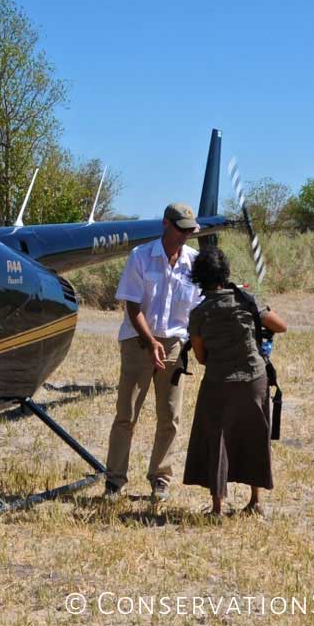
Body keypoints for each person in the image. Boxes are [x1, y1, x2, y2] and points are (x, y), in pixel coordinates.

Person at [103, 202, 203, 501]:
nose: (185, 236)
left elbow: (197, 309)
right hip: (138, 342)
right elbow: (132, 306)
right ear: (165, 224)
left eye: (190, 231)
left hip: (175, 345)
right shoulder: (141, 257)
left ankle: (160, 478)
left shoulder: (194, 263)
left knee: (169, 416)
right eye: (181, 229)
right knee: (126, 414)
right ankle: (115, 481)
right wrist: (150, 342)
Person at [182, 247, 288, 515]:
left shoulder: (200, 313)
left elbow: (201, 356)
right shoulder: (246, 300)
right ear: (225, 272)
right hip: (254, 378)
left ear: (198, 277)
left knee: (216, 439)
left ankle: (217, 507)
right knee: (254, 435)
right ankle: (255, 501)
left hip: (218, 381)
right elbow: (280, 326)